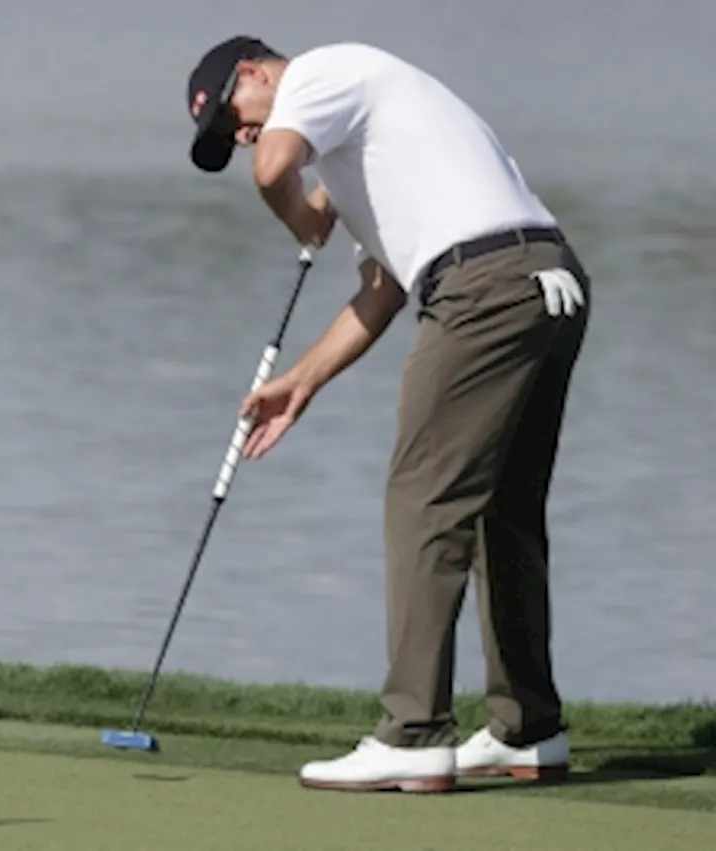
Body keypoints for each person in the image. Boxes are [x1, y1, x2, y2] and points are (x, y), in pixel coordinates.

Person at [184, 36, 591, 793]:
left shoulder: (320, 73)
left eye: (232, 122)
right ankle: (528, 729)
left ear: (254, 73)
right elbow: (382, 291)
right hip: (547, 280)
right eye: (226, 142)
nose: (241, 142)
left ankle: (412, 733)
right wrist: (301, 380)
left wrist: (300, 219)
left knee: (422, 501)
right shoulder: (360, 149)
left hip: (484, 290)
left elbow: (276, 169)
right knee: (499, 512)